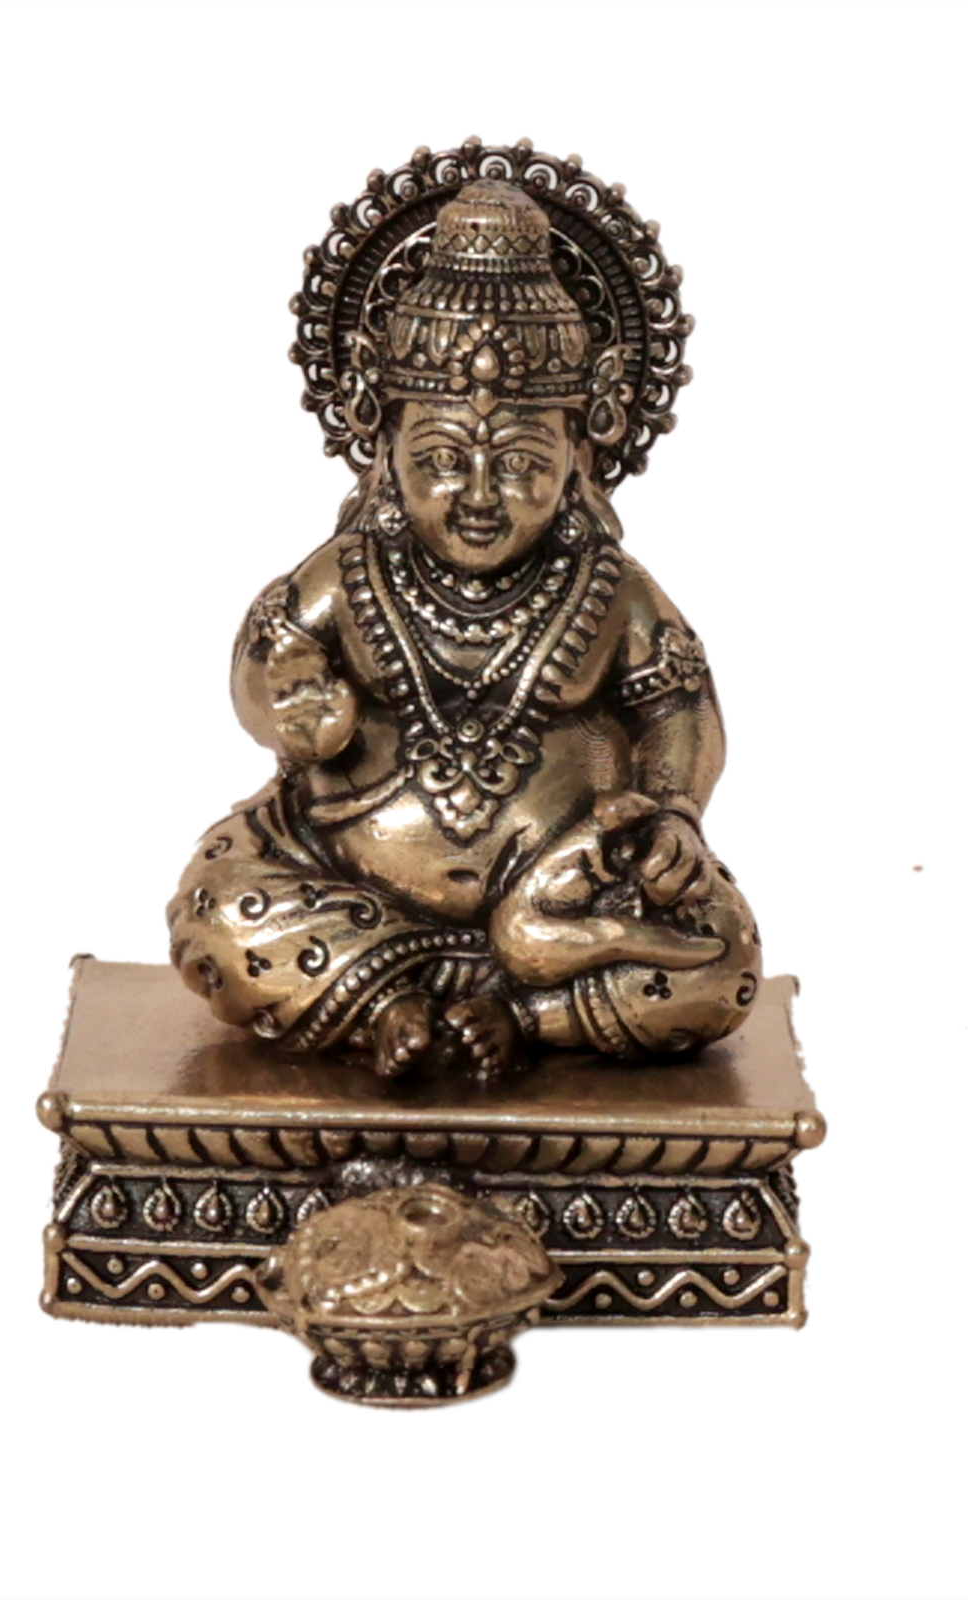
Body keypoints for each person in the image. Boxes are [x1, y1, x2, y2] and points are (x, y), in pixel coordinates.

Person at [169, 181, 759, 1078]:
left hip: (569, 903)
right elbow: (265, 657)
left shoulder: (613, 591)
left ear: (582, 448)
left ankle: (524, 1017)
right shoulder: (348, 576)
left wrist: (674, 811)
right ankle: (389, 1002)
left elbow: (682, 709)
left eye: (520, 462)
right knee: (216, 904)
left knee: (721, 957)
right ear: (384, 445)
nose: (479, 495)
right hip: (347, 890)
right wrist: (286, 706)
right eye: (442, 459)